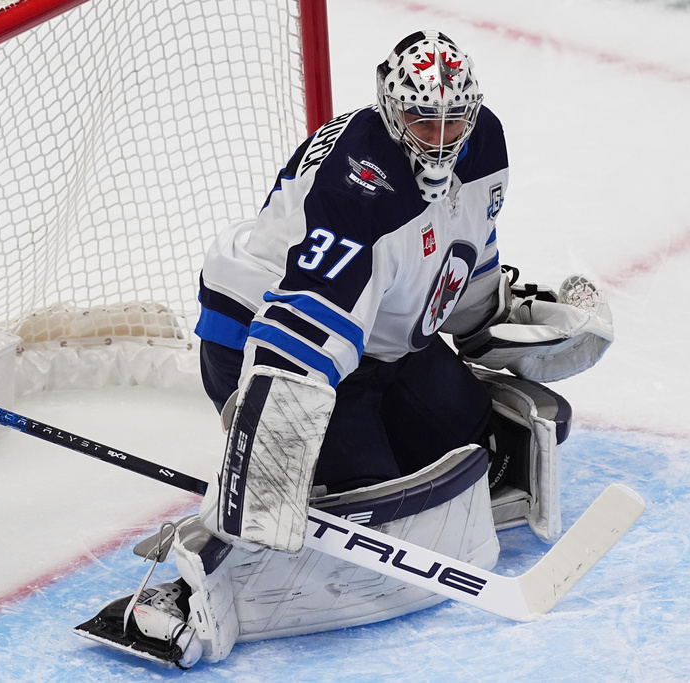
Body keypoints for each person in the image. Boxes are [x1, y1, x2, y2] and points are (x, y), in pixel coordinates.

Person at [74, 29, 614, 669]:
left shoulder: (485, 139)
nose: (441, 138)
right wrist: (268, 468)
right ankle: (188, 586)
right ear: (390, 106)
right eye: (422, 118)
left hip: (384, 339)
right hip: (268, 344)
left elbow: (463, 245)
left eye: (454, 120)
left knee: (474, 434)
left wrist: (488, 317)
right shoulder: (358, 189)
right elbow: (299, 339)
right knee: (364, 503)